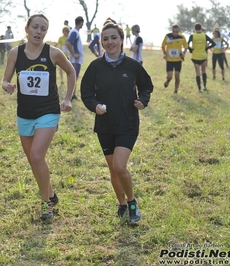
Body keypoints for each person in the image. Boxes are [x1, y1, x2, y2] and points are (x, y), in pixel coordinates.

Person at [1, 14, 76, 220]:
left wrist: (68, 98)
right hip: (24, 114)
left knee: (36, 156)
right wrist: (6, 85)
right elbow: (5, 79)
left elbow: (71, 72)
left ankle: (46, 204)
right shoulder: (15, 53)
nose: (39, 31)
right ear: (27, 28)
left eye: (43, 28)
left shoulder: (53, 53)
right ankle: (51, 194)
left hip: (48, 112)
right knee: (33, 161)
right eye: (35, 27)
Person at [80, 21, 153, 225]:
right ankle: (120, 203)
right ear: (101, 42)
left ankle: (131, 203)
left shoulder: (132, 66)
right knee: (113, 169)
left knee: (120, 166)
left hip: (128, 123)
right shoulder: (95, 67)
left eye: (113, 37)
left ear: (121, 40)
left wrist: (143, 100)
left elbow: (147, 86)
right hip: (105, 124)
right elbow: (86, 92)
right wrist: (94, 106)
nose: (109, 42)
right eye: (105, 39)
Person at [188, 22, 215, 92]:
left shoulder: (192, 36)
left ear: (194, 28)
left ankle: (199, 88)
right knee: (204, 71)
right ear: (201, 28)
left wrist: (190, 49)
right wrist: (206, 48)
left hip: (195, 56)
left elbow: (186, 44)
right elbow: (213, 43)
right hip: (203, 56)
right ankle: (205, 86)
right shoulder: (204, 35)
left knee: (197, 72)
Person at [161, 24, 188, 93]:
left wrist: (184, 53)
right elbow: (163, 45)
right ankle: (167, 81)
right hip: (169, 60)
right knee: (170, 76)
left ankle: (176, 90)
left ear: (179, 31)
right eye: (174, 31)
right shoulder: (168, 36)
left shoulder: (182, 37)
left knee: (177, 76)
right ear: (172, 30)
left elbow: (186, 46)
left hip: (178, 60)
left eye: (177, 31)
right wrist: (164, 53)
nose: (175, 33)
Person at [65, 16, 84, 100]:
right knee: (74, 77)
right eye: (82, 23)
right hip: (75, 60)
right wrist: (73, 54)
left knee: (75, 77)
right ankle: (71, 95)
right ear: (80, 23)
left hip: (77, 60)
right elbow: (68, 43)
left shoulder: (75, 32)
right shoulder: (74, 32)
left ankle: (74, 94)